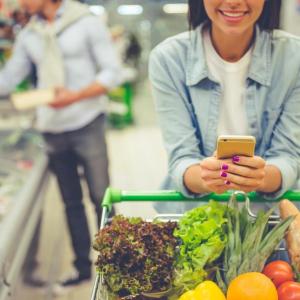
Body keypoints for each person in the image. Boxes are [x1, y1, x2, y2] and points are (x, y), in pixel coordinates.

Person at [0, 0, 122, 291]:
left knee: (101, 198)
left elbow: (112, 72)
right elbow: (9, 78)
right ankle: (82, 268)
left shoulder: (85, 21)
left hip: (87, 121)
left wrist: (76, 96)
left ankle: (116, 267)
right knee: (71, 203)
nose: (20, 2)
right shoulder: (30, 33)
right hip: (52, 129)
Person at [149, 0, 300, 213]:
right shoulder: (168, 59)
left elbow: (288, 155)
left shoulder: (294, 58)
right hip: (197, 217)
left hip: (269, 220)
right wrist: (205, 176)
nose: (234, 2)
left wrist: (261, 177)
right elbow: (182, 158)